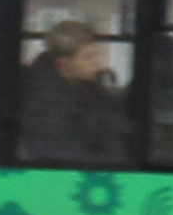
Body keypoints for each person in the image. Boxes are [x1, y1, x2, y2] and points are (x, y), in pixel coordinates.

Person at [19, 17, 134, 168]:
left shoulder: (91, 88)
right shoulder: (43, 104)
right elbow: (68, 158)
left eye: (96, 55)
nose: (97, 63)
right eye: (87, 58)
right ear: (63, 64)